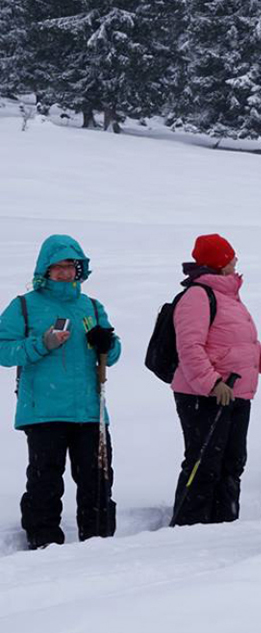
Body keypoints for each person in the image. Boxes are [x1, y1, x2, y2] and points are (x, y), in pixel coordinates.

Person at [0, 235, 121, 549]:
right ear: (45, 269)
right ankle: (44, 543)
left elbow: (114, 352)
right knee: (45, 481)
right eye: (59, 267)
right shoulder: (24, 306)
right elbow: (3, 351)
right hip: (44, 411)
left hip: (89, 411)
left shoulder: (91, 306)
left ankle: (99, 541)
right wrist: (43, 344)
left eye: (71, 266)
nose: (66, 272)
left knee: (97, 480)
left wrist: (107, 344)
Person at [170, 234, 261, 526]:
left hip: (236, 393)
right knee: (204, 464)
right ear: (218, 262)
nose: (235, 261)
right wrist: (213, 384)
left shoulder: (229, 296)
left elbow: (245, 348)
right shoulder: (198, 295)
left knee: (232, 463)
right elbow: (189, 347)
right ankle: (188, 526)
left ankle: (224, 526)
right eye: (230, 257)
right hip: (203, 396)